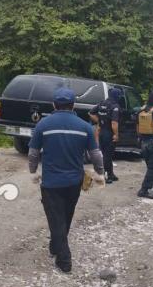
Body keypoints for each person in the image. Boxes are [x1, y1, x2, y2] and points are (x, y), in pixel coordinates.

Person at [28, 87, 105, 273]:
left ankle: (64, 260)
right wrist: (100, 172)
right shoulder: (84, 126)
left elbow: (33, 152)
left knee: (56, 219)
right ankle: (56, 247)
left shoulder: (43, 125)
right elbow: (95, 153)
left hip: (51, 182)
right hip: (74, 182)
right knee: (66, 215)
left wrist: (33, 171)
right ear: (73, 105)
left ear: (54, 104)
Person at [89, 87, 122, 184]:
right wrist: (116, 134)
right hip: (109, 133)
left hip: (102, 131)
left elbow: (90, 113)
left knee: (106, 154)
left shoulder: (102, 103)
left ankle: (111, 174)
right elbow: (114, 123)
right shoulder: (115, 106)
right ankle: (104, 176)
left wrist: (99, 121)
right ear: (117, 96)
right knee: (107, 155)